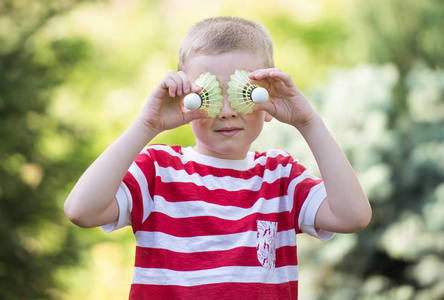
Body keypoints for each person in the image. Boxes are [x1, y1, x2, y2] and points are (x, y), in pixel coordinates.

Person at [64, 16, 371, 299]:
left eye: (242, 94)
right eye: (211, 95)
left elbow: (352, 216)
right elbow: (82, 211)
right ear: (186, 97)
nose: (226, 111)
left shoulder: (280, 177)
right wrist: (146, 125)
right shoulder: (157, 171)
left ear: (267, 101)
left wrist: (308, 122)